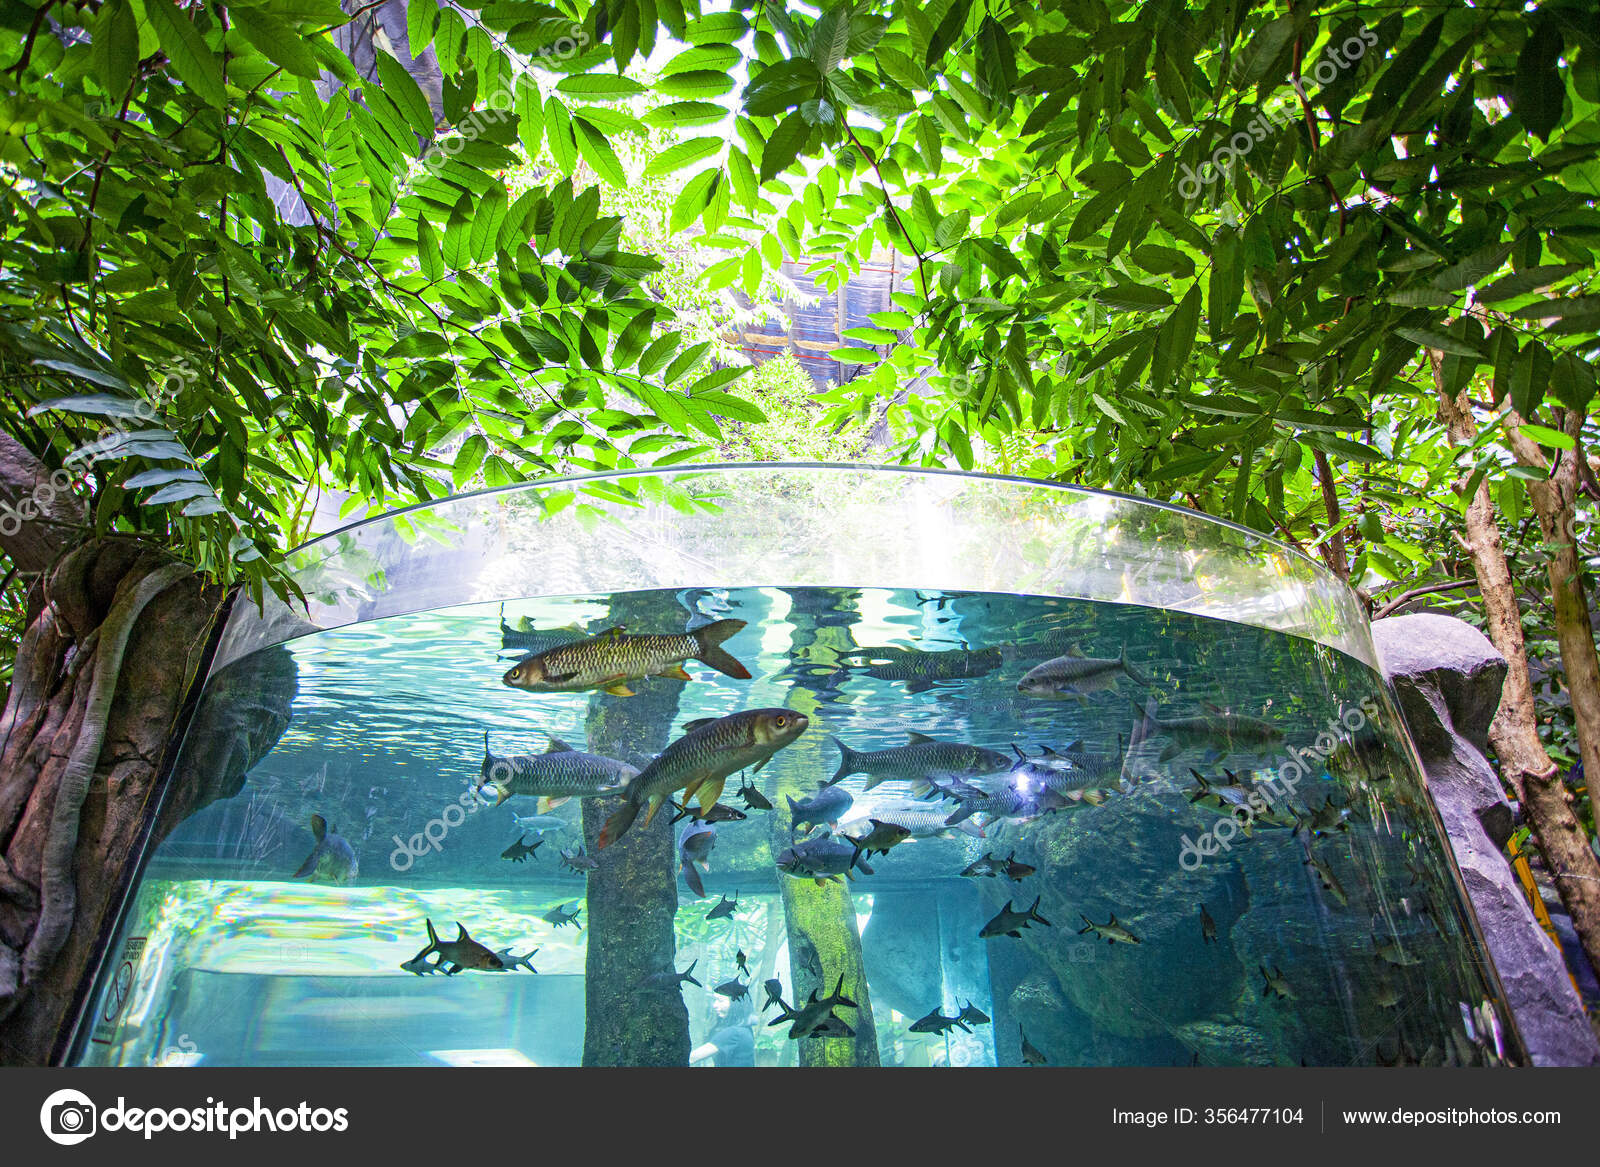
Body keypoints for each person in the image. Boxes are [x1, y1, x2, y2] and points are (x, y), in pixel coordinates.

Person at [690, 994, 755, 1066]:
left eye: (720, 1001)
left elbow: (692, 1058)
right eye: (715, 1000)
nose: (714, 1005)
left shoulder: (734, 1033)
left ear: (736, 1003)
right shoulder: (745, 1029)